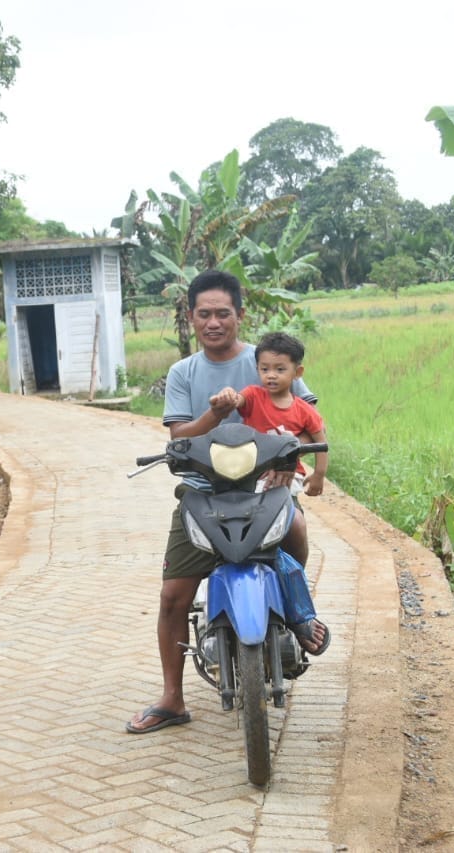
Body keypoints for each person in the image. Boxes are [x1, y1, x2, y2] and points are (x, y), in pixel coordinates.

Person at [126, 270, 329, 736]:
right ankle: (172, 698)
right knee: (174, 595)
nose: (214, 322)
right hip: (203, 491)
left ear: (240, 314)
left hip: (265, 488)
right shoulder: (184, 373)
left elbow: (305, 420)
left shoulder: (268, 359)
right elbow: (178, 437)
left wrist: (291, 458)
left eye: (223, 313)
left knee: (296, 530)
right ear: (191, 317)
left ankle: (298, 615)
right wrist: (214, 414)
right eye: (204, 314)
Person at [207, 330, 329, 570]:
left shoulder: (304, 410)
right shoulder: (253, 396)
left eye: (280, 369)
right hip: (247, 477)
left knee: (295, 525)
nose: (271, 375)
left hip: (285, 481)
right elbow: (238, 400)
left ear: (298, 372)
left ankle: (296, 575)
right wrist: (228, 396)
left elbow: (320, 440)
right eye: (265, 369)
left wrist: (319, 475)